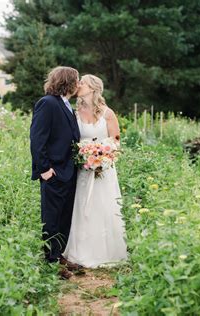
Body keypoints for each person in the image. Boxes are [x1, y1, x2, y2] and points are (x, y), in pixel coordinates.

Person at [62, 74, 128, 268]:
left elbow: (116, 141)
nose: (78, 85)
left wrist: (101, 155)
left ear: (92, 88)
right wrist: (85, 153)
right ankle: (80, 252)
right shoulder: (74, 113)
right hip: (83, 169)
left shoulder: (108, 113)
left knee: (104, 206)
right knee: (84, 208)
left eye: (82, 82)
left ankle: (107, 253)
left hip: (104, 169)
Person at [30, 66, 82, 279]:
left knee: (64, 217)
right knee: (51, 218)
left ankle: (59, 255)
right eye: (77, 80)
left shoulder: (66, 104)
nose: (79, 84)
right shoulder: (48, 103)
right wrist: (44, 170)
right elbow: (37, 139)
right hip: (53, 172)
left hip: (69, 172)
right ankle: (51, 262)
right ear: (69, 82)